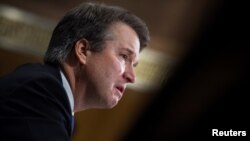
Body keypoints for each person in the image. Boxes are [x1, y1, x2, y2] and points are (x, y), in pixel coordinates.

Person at [0, 2, 150, 141]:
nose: (132, 77)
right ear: (83, 50)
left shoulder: (55, 107)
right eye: (124, 56)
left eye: (134, 64)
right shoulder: (36, 93)